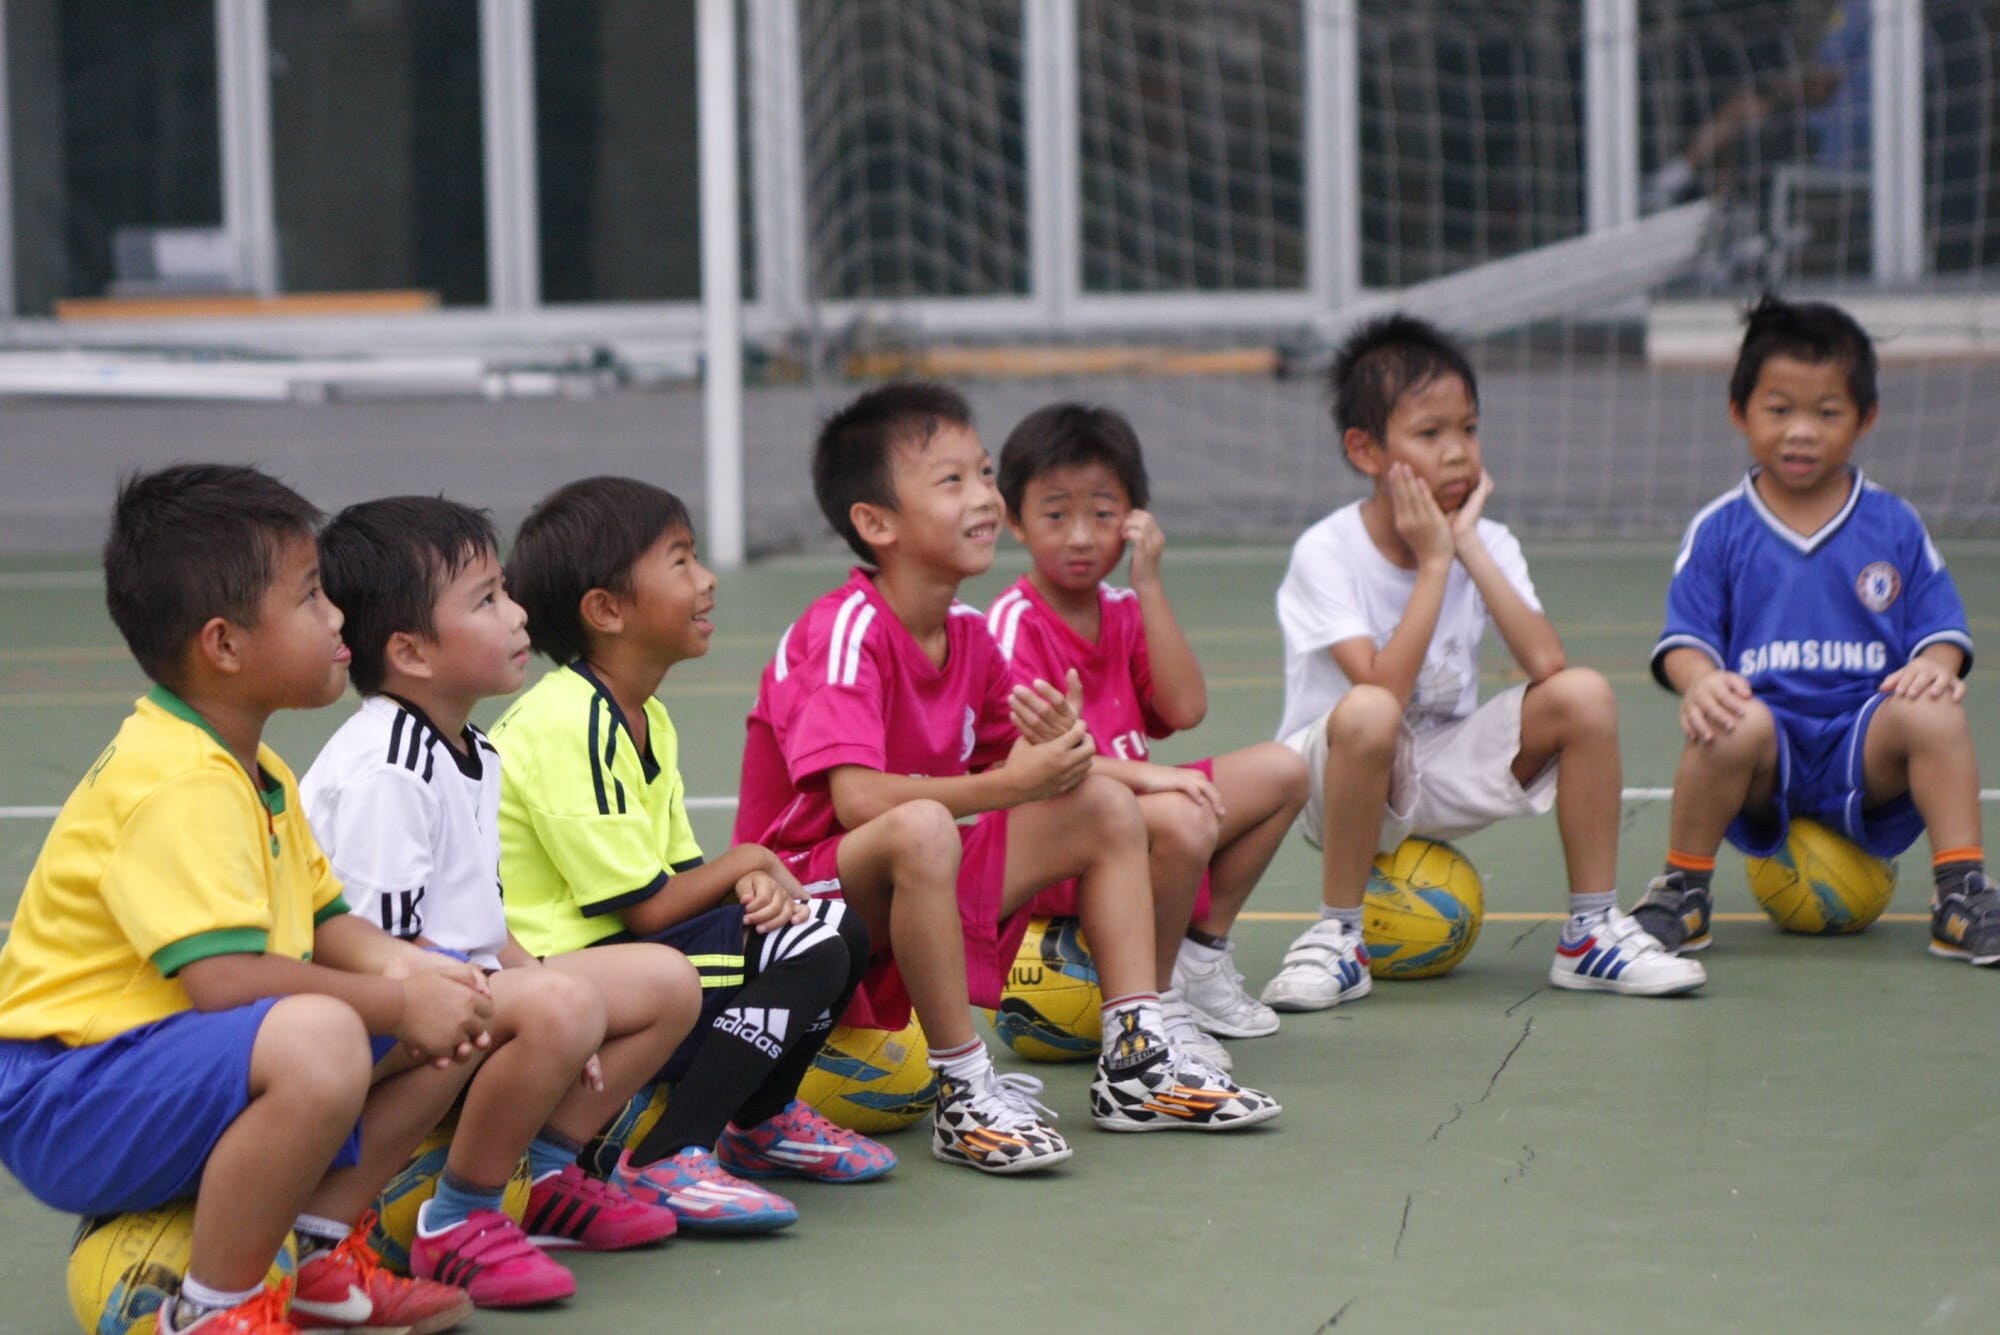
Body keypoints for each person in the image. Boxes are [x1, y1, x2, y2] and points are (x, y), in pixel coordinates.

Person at [734, 382, 1281, 1178]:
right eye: (952, 481)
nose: (985, 497)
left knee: (1099, 802)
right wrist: (1014, 785)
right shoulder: (846, 628)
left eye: (985, 473)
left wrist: (1089, 759)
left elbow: (1025, 765)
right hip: (799, 912)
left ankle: (1136, 1053)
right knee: (923, 824)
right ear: (876, 523)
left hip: (903, 896)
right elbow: (856, 801)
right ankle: (964, 1089)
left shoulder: (967, 634)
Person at [0, 464, 487, 1335]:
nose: (339, 617)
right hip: (67, 1094)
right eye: (310, 598)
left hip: (161, 1060)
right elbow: (227, 980)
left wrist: (432, 982)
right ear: (223, 644)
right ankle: (214, 1308)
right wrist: (397, 1000)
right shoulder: (176, 781)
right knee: (328, 1031)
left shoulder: (256, 770)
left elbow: (333, 924)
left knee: (453, 995)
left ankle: (316, 1251)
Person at [302, 496, 697, 1308]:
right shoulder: (389, 766)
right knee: (554, 1001)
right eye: (486, 600)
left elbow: (481, 921)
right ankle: (459, 1217)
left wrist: (552, 991)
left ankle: (546, 1177)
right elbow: (384, 955)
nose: (518, 616)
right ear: (409, 651)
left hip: (449, 990)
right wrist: (546, 1005)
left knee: (667, 982)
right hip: (362, 1017)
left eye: (505, 591)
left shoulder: (473, 750)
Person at [491, 477, 894, 1236]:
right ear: (607, 610)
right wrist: (748, 861)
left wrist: (755, 886)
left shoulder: (645, 718)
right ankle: (667, 1155)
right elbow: (643, 905)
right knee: (807, 942)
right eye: (680, 562)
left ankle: (760, 1119)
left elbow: (679, 882)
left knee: (837, 927)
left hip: (620, 949)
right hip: (554, 969)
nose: (707, 580)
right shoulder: (566, 719)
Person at [1266, 315, 1707, 1006]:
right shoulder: (1327, 550)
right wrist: (1435, 564)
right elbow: (1379, 688)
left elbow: (1545, 659)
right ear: (1366, 449)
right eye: (1430, 433)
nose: (1456, 453)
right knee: (1374, 709)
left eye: (1468, 430)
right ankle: (1339, 936)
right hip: (1335, 779)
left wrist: (1465, 545)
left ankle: (1591, 931)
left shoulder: (1487, 541)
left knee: (1584, 694)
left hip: (1437, 765)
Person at [1632, 294, 1987, 962]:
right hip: (1766, 750)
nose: (1801, 431)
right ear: (1740, 412)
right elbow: (1686, 640)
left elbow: (1942, 625)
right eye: (1780, 410)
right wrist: (1703, 683)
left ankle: (1962, 891)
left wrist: (1934, 666)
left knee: (1936, 714)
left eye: (1827, 413)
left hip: (1865, 738)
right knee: (1727, 719)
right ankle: (1684, 889)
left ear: (1865, 418)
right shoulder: (1721, 528)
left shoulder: (1893, 523)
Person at [988, 402, 1309, 1066]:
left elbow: (1186, 707)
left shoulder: (1125, 608)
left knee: (1285, 769)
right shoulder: (1014, 622)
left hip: (1140, 820)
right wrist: (1152, 777)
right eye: (1055, 514)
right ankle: (1156, 1004)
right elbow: (1035, 767)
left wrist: (1150, 583)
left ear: (1135, 516)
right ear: (1014, 519)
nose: (1080, 535)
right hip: (1064, 843)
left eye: (1103, 513)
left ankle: (1199, 959)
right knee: (1185, 815)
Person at [1641, 0, 1872, 213]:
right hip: (1807, 107)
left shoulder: (1861, 11)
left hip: (1838, 127)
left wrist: (1783, 87)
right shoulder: (1834, 13)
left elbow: (1825, 84)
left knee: (1743, 108)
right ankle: (1716, 203)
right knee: (1741, 108)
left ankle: (1678, 179)